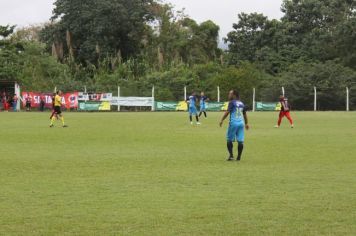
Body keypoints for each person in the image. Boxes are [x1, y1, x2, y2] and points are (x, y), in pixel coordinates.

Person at [219, 90, 249, 161]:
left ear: (234, 95)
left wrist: (222, 120)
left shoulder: (232, 102)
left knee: (229, 140)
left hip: (233, 123)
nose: (229, 95)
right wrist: (246, 123)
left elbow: (227, 112)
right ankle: (238, 157)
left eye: (230, 94)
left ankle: (231, 156)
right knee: (240, 141)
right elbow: (244, 114)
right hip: (241, 123)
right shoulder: (241, 103)